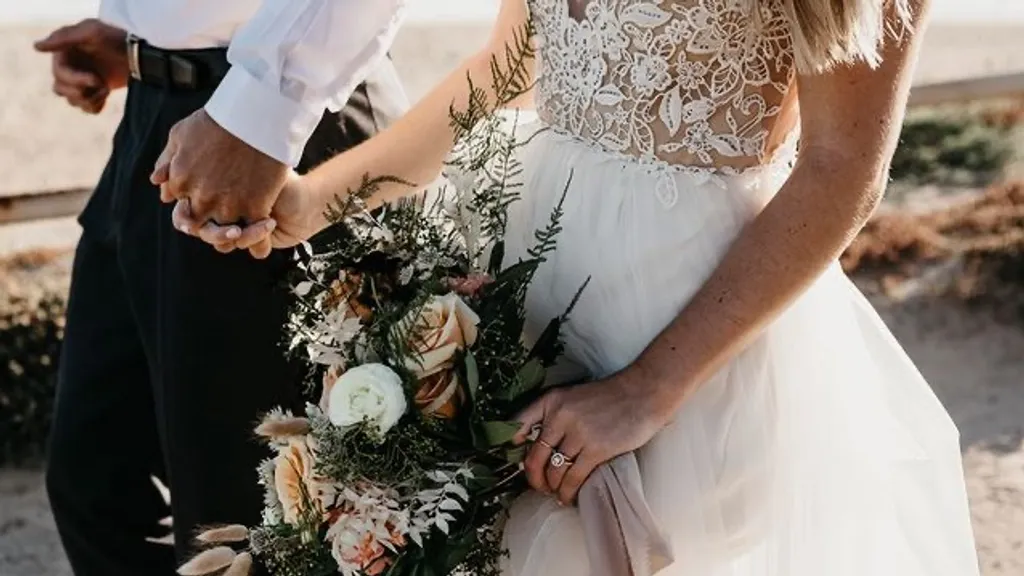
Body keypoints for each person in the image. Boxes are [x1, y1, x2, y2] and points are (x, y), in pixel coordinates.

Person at [185, 0, 981, 574]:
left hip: (687, 319)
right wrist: (316, 202)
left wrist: (649, 388)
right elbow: (505, 71)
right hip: (525, 275)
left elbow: (844, 171)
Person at [34, 1, 408, 574]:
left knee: (242, 522)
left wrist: (265, 108)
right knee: (93, 483)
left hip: (272, 123)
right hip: (155, 113)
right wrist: (140, 31)